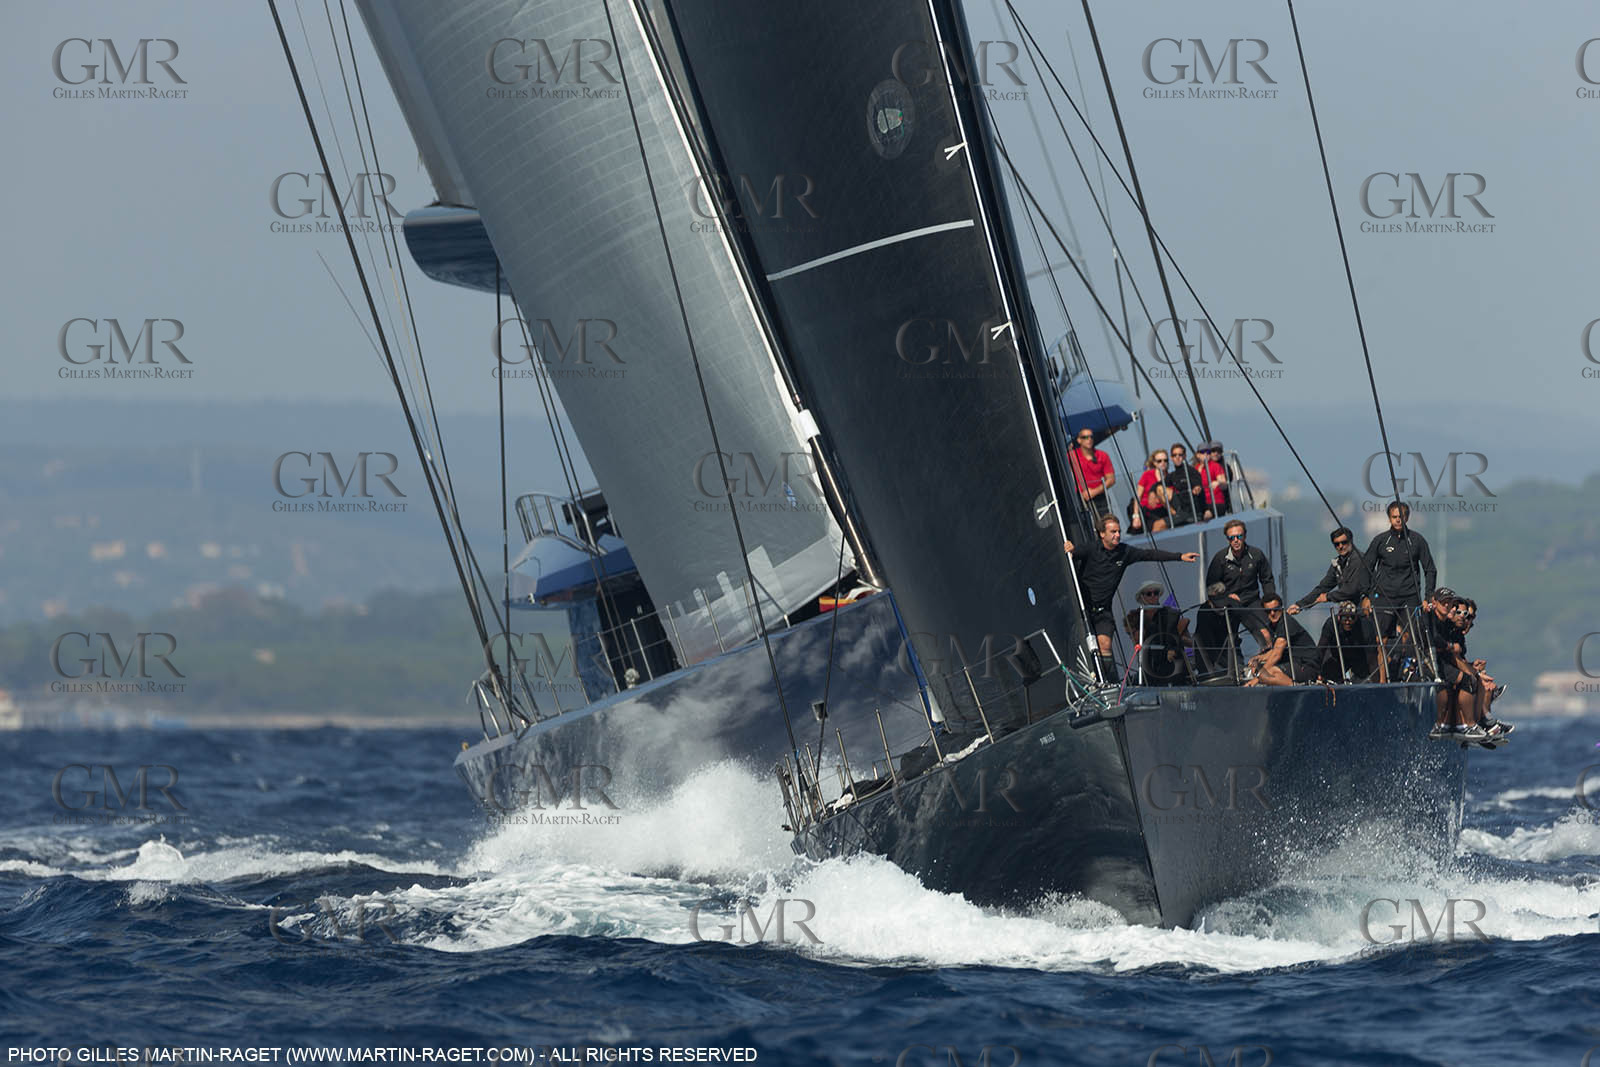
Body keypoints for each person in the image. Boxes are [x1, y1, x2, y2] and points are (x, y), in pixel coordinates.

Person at [1063, 515, 1198, 683]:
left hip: (1103, 611)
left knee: (1105, 645)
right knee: (1084, 647)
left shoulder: (1124, 552)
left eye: (1119, 531)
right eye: (1113, 532)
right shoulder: (1091, 549)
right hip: (1082, 608)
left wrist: (1179, 556)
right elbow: (1074, 552)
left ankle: (1110, 685)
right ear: (1101, 534)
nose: (1118, 535)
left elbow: (1149, 554)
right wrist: (1071, 549)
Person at [1364, 501, 1437, 641]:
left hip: (1409, 596)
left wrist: (1428, 597)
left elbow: (1430, 569)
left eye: (1401, 516)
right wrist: (1367, 595)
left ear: (1407, 518)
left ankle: (1408, 662)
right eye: (1394, 517)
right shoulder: (1381, 540)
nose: (1398, 520)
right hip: (1385, 595)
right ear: (1389, 518)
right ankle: (1384, 663)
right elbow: (1366, 567)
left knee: (1411, 638)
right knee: (1381, 639)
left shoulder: (1417, 540)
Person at [1205, 519, 1276, 654]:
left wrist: (1269, 601)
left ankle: (1269, 660)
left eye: (1239, 536)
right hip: (1230, 603)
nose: (1236, 540)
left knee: (1267, 632)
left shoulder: (1256, 555)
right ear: (1227, 539)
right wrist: (1225, 596)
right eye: (1231, 538)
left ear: (1245, 536)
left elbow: (1267, 579)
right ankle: (1236, 667)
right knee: (1228, 638)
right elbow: (1211, 585)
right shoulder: (1220, 558)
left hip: (1252, 600)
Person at [1288, 526, 1375, 615]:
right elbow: (1323, 587)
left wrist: (1328, 597)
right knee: (1329, 626)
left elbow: (1353, 589)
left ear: (1351, 541)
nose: (1340, 546)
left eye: (1344, 542)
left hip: (1365, 609)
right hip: (1348, 610)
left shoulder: (1359, 559)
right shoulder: (1337, 563)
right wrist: (1300, 605)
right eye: (1337, 544)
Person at [1123, 579, 1191, 684]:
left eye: (1156, 593)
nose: (1153, 596)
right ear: (1142, 597)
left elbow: (1174, 636)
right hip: (1149, 661)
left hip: (1167, 660)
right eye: (1149, 594)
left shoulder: (1169, 614)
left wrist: (1171, 650)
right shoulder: (1135, 617)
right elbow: (1135, 638)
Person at [1243, 595, 1318, 686]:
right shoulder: (1273, 626)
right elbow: (1274, 650)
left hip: (1306, 665)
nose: (1272, 613)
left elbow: (1276, 654)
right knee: (1257, 669)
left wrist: (1256, 679)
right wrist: (1259, 658)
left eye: (1276, 609)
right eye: (1268, 611)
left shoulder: (1286, 623)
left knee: (1266, 674)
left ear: (1282, 609)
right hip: (1291, 663)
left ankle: (1297, 689)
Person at [1315, 601, 1384, 682]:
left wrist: (1377, 684)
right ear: (1339, 617)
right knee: (1325, 674)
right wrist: (1315, 672)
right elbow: (1320, 650)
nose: (1347, 622)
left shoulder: (1366, 626)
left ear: (1356, 618)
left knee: (1363, 680)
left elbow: (1372, 659)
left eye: (1352, 618)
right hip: (1336, 656)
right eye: (1344, 618)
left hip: (1359, 657)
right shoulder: (1331, 623)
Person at [1068, 428, 1116, 521]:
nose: (1089, 439)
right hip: (1080, 498)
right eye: (1085, 437)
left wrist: (1094, 492)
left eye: (1091, 437)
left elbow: (1111, 479)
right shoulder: (1071, 456)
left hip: (1100, 497)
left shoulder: (1102, 455)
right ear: (1079, 440)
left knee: (1104, 523)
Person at [1130, 450, 1172, 533]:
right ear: (1155, 463)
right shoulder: (1147, 475)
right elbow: (1138, 496)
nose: (1163, 463)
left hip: (1163, 510)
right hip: (1148, 512)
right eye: (1159, 461)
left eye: (1165, 460)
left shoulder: (1170, 477)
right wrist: (1136, 515)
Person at [1164, 442, 1203, 526]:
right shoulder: (1171, 476)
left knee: (1161, 524)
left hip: (1192, 512)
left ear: (1184, 456)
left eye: (1180, 455)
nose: (1177, 457)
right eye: (1174, 455)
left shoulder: (1191, 471)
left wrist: (1197, 488)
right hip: (1179, 512)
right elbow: (1161, 486)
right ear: (1171, 458)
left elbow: (1197, 483)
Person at [1197, 442, 1231, 518]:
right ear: (1198, 455)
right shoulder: (1195, 469)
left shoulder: (1216, 466)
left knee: (1206, 514)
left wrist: (1218, 483)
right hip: (1201, 503)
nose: (1206, 454)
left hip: (1216, 503)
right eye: (1202, 452)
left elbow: (1224, 484)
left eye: (1208, 452)